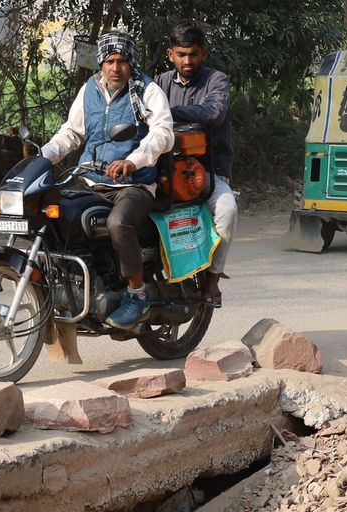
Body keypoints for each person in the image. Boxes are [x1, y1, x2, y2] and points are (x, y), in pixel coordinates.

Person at [41, 31, 174, 330]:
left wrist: (133, 160)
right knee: (52, 212)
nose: (116, 68)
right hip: (91, 180)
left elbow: (163, 133)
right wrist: (43, 156)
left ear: (131, 63)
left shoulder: (146, 89)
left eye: (122, 61)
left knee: (118, 223)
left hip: (134, 184)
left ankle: (137, 295)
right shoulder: (90, 89)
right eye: (110, 61)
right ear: (100, 63)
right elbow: (72, 134)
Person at [155, 22, 236, 307]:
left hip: (209, 174)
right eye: (181, 54)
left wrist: (166, 111)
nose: (187, 61)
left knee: (227, 210)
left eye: (193, 54)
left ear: (204, 53)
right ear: (170, 54)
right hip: (164, 171)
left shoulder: (217, 80)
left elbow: (213, 112)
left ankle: (213, 277)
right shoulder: (160, 83)